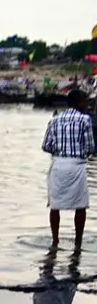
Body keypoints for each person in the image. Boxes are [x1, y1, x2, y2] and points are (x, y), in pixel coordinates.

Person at [42, 89, 94, 247]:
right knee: (80, 206)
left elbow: (45, 146)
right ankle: (78, 243)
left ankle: (55, 241)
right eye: (85, 101)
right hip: (76, 166)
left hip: (58, 165)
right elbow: (90, 147)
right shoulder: (85, 120)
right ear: (79, 103)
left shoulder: (54, 120)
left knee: (55, 206)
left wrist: (59, 152)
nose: (87, 105)